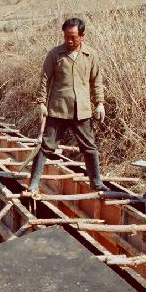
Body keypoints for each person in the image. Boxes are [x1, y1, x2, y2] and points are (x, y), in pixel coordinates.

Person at [27, 17, 107, 193]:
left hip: (83, 111)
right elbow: (44, 79)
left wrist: (99, 103)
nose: (69, 41)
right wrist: (41, 103)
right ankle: (33, 183)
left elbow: (96, 81)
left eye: (73, 37)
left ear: (82, 36)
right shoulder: (55, 54)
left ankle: (96, 182)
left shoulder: (91, 55)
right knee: (46, 146)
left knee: (90, 148)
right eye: (66, 37)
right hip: (58, 109)